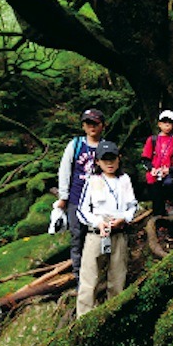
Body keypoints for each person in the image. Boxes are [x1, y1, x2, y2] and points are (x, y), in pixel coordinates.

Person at [76, 141, 138, 317]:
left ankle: (114, 316)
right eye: (105, 160)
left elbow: (132, 205)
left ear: (119, 159)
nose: (109, 163)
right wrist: (98, 222)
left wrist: (124, 219)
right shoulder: (92, 180)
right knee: (89, 278)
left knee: (118, 277)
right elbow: (82, 210)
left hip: (119, 233)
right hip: (96, 235)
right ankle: (84, 319)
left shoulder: (124, 180)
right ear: (97, 162)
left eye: (112, 159)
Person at [57, 108, 105, 283]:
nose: (92, 127)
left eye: (96, 123)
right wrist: (63, 196)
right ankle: (80, 278)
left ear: (102, 125)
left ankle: (97, 274)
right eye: (88, 123)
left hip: (98, 203)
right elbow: (65, 170)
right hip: (76, 200)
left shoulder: (105, 146)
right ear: (84, 126)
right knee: (77, 238)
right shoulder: (76, 144)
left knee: (98, 238)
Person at [141, 110, 173, 216]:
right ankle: (158, 216)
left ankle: (170, 205)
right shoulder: (152, 140)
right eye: (164, 122)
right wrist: (152, 169)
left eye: (169, 122)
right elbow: (145, 159)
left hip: (169, 175)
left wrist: (169, 170)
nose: (167, 125)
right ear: (159, 124)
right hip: (154, 175)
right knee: (155, 195)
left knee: (169, 184)